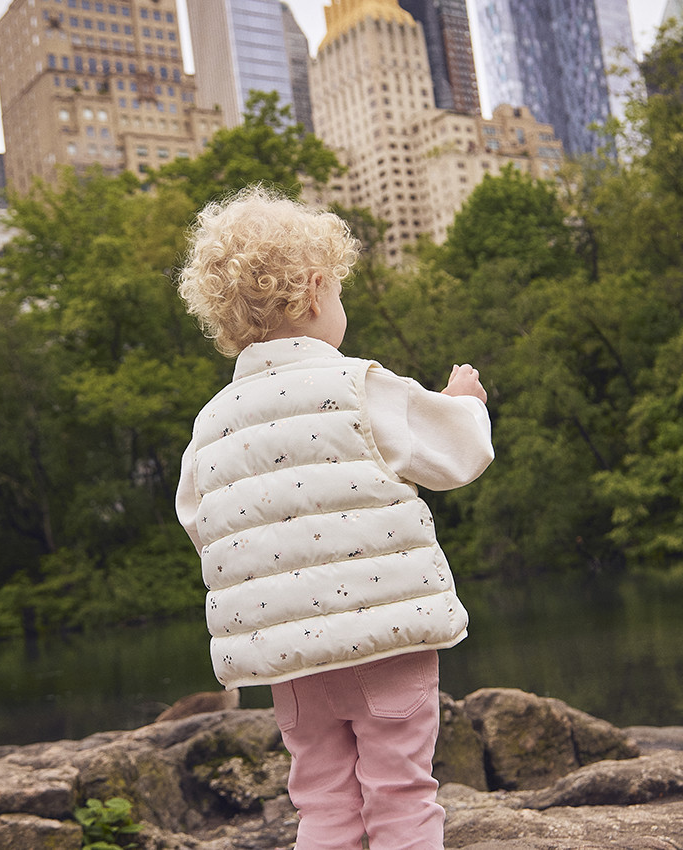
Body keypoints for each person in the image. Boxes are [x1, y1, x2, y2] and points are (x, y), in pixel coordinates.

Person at [175, 186, 494, 850]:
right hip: (386, 635)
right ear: (317, 291)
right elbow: (457, 453)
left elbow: (204, 524)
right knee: (401, 791)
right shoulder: (358, 386)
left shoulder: (209, 428)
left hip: (290, 654)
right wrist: (459, 401)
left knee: (320, 798)